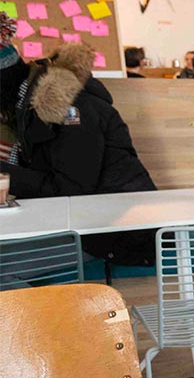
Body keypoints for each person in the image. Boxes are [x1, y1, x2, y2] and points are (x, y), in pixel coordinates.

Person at [0, 18, 159, 267]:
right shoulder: (26, 110)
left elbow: (71, 191)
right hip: (83, 225)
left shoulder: (71, 109)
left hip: (114, 235)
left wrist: (6, 175)